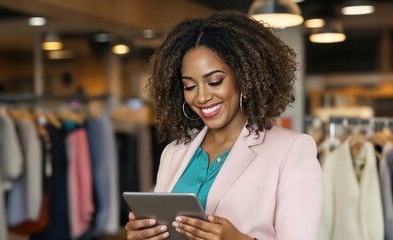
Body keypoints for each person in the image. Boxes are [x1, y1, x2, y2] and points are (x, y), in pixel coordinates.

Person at [125, 10, 323, 240]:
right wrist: (143, 235)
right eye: (190, 86)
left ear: (244, 77)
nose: (201, 97)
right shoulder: (174, 153)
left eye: (214, 81)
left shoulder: (292, 150)